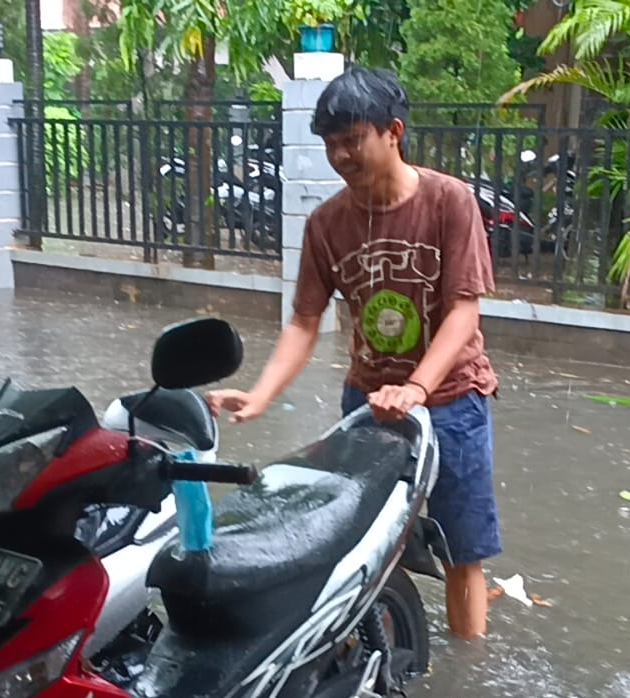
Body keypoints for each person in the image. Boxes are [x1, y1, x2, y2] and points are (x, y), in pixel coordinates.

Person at [207, 66, 501, 639]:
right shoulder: (326, 223)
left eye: (352, 140)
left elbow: (465, 311)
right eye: (330, 145)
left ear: (393, 131)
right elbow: (304, 321)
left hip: (451, 399)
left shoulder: (449, 202)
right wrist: (262, 395)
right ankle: (379, 658)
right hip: (366, 404)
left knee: (462, 551)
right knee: (366, 542)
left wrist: (416, 390)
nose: (340, 155)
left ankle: (470, 674)